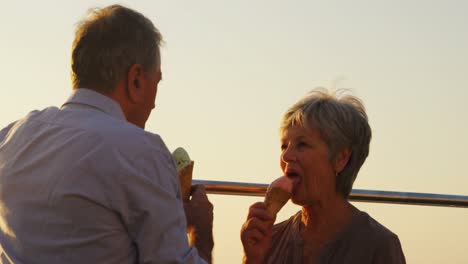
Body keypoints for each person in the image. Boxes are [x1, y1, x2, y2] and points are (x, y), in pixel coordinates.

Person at [0, 5, 213, 264]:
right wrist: (200, 234)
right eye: (156, 83)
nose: (154, 104)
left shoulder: (10, 138)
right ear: (135, 80)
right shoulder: (142, 152)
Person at [240, 88, 406, 264]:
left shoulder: (379, 245)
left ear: (340, 158)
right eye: (284, 146)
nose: (286, 156)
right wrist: (252, 259)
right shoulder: (270, 239)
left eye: (302, 144)